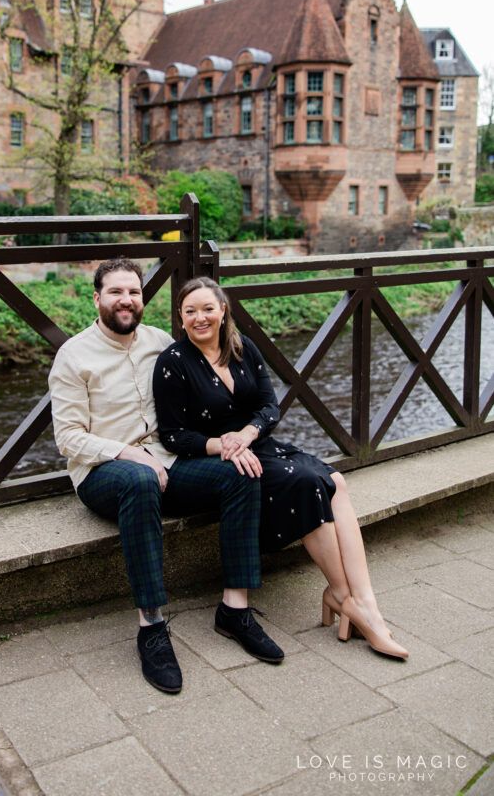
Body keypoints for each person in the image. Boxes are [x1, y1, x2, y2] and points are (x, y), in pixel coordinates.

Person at [48, 258, 284, 695]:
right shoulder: (73, 355)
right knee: (138, 482)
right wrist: (128, 454)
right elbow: (68, 439)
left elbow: (206, 378)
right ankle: (151, 626)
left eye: (134, 292)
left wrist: (235, 439)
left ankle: (235, 609)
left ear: (143, 299)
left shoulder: (160, 343)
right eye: (116, 292)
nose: (126, 300)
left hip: (169, 461)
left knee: (240, 474)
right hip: (104, 472)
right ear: (97, 298)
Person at [153, 276, 409, 661]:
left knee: (335, 480)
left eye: (208, 308)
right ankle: (343, 597)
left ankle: (364, 601)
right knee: (306, 481)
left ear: (223, 311)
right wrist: (223, 443)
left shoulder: (242, 347)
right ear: (180, 317)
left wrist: (248, 431)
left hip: (258, 445)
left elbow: (270, 407)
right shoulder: (172, 362)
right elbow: (173, 435)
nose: (200, 318)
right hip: (214, 458)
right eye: (190, 311)